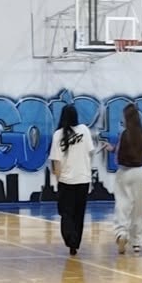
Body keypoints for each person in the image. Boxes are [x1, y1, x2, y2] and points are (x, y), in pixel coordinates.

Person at [49, 102, 97, 255]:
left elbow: (56, 162)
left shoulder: (58, 135)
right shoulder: (84, 130)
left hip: (66, 181)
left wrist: (58, 182)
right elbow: (90, 152)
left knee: (66, 213)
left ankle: (69, 237)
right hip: (83, 179)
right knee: (79, 214)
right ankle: (75, 243)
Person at [113, 102, 142, 255]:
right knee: (139, 208)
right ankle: (137, 242)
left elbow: (119, 157)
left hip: (124, 172)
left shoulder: (124, 134)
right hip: (139, 172)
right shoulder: (141, 134)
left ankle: (121, 233)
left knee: (122, 204)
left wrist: (113, 150)